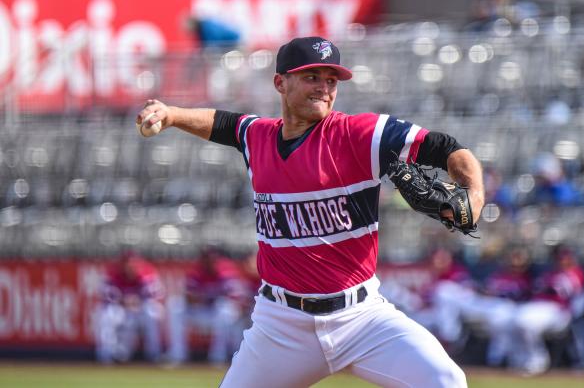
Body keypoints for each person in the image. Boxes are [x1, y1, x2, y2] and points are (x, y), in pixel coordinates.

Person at [136, 36, 484, 387]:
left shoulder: (360, 135)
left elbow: (446, 148)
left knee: (446, 380)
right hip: (282, 325)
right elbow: (223, 123)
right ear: (280, 83)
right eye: (311, 77)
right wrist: (172, 114)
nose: (324, 88)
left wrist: (475, 195)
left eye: (331, 80)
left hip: (361, 317)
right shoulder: (258, 137)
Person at [509, 245, 584, 375]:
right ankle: (522, 359)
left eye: (566, 258)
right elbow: (535, 290)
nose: (563, 261)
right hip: (538, 307)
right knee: (511, 320)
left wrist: (570, 313)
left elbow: (578, 298)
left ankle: (538, 360)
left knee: (525, 322)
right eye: (560, 258)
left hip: (558, 311)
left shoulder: (575, 273)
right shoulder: (550, 274)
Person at [167, 248, 244, 365]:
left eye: (213, 259)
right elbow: (189, 297)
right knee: (175, 306)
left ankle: (218, 356)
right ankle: (178, 354)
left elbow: (235, 297)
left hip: (217, 314)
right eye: (207, 259)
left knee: (223, 308)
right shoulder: (196, 273)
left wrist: (210, 296)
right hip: (199, 311)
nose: (210, 262)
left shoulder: (226, 274)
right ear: (202, 260)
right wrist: (200, 298)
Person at [95, 250, 164, 364]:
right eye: (127, 262)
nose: (130, 266)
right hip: (121, 309)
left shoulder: (147, 273)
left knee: (152, 311)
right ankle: (106, 355)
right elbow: (106, 294)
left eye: (133, 263)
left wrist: (136, 300)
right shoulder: (112, 273)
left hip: (140, 309)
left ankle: (154, 354)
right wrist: (124, 300)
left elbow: (156, 294)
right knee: (106, 313)